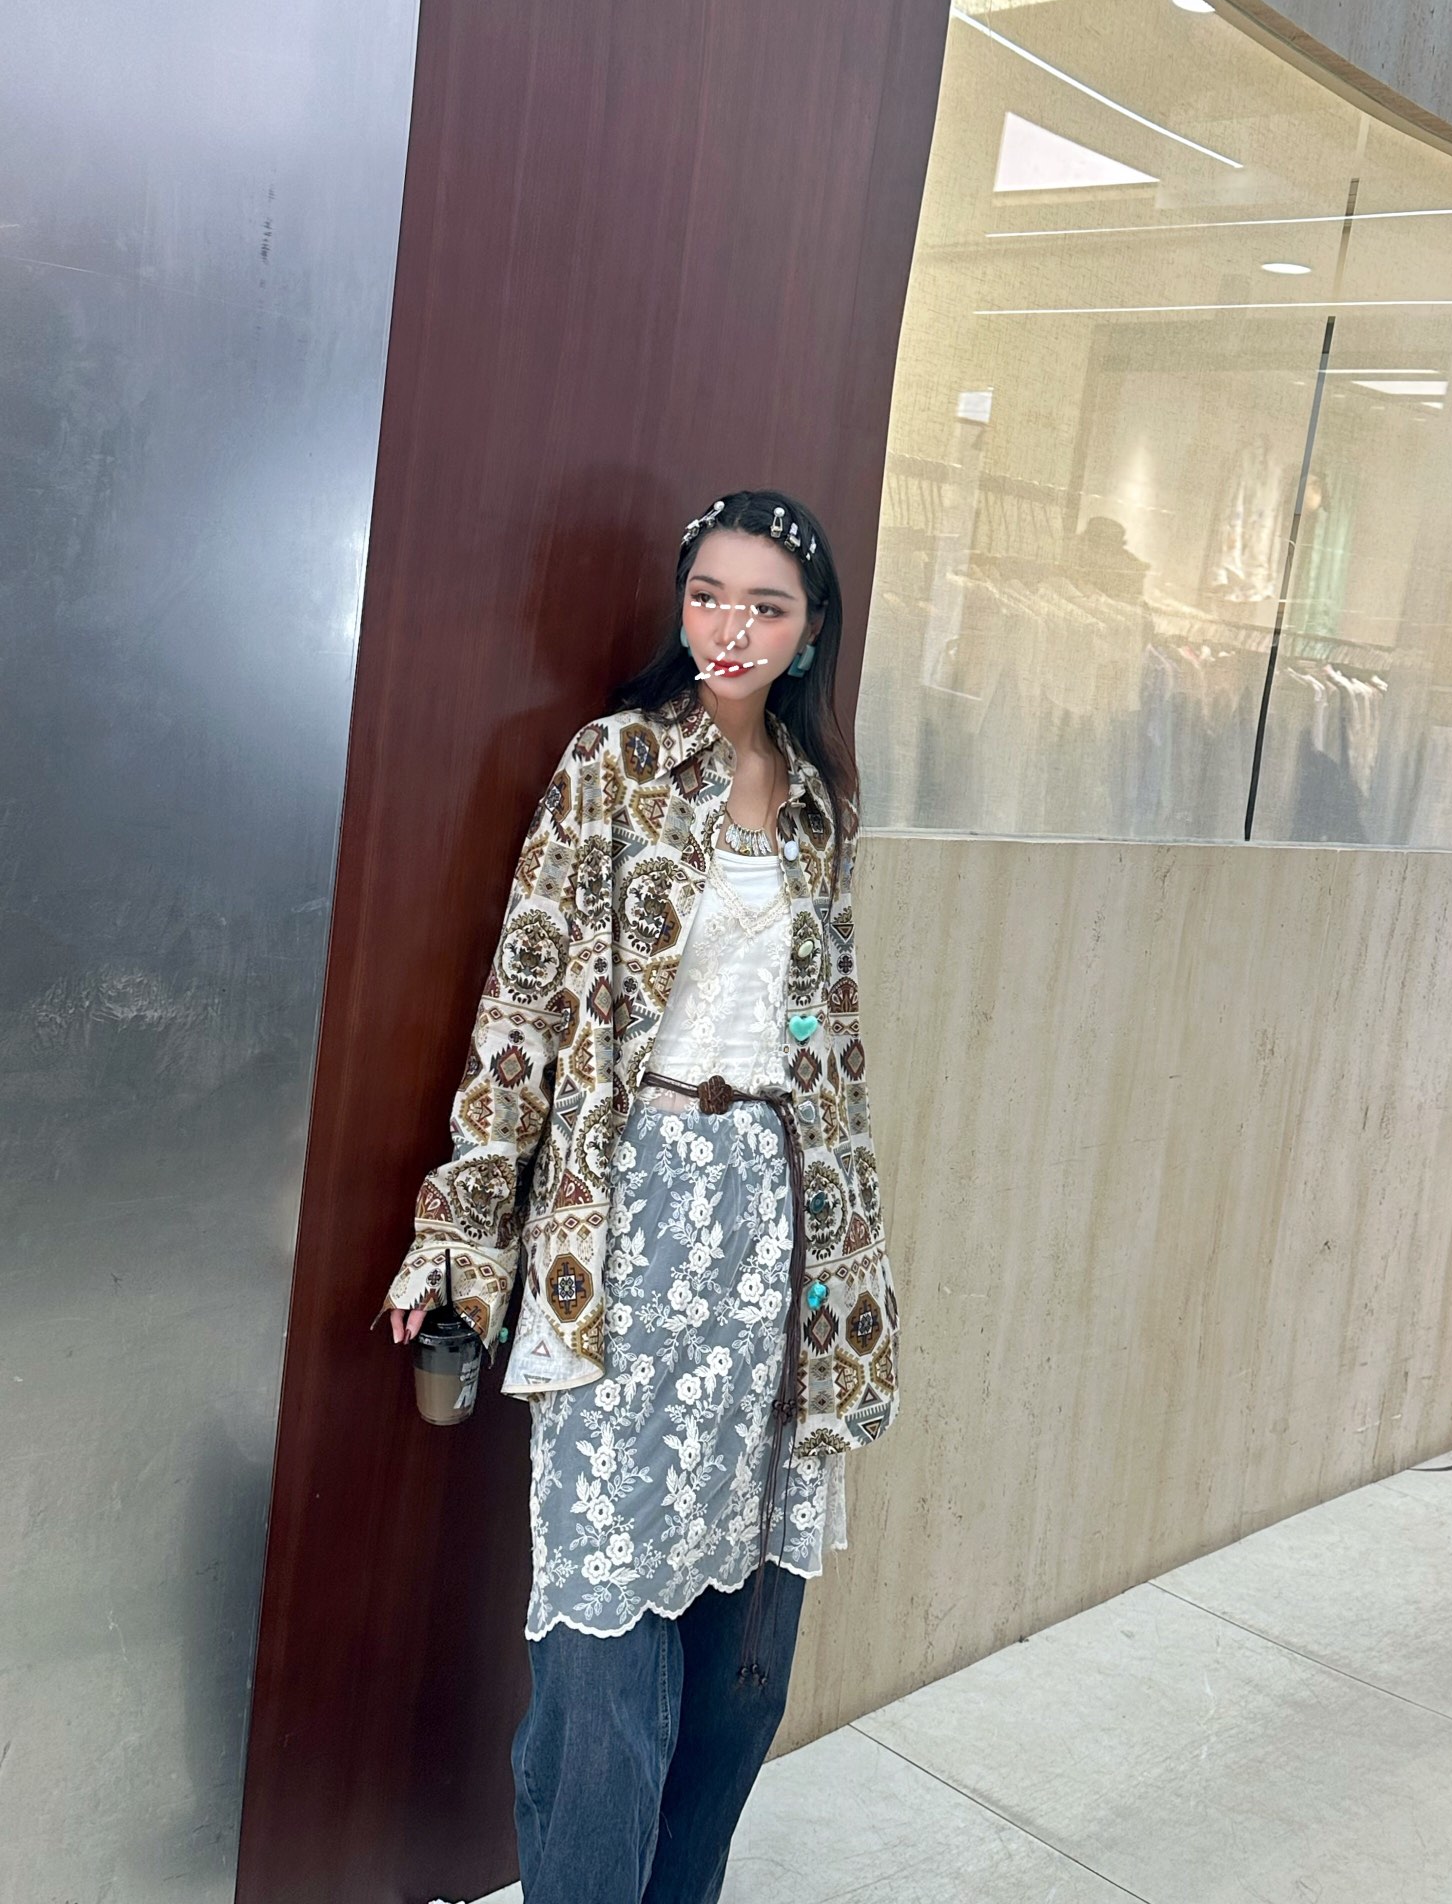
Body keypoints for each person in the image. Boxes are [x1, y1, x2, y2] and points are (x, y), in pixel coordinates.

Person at [378, 489, 902, 1903]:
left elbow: (833, 1049)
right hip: (626, 1221)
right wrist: (460, 1235)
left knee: (747, 1652)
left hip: (775, 1228)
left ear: (809, 633)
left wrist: (848, 1260)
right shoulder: (610, 765)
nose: (730, 627)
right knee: (603, 1639)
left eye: (766, 606)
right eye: (709, 594)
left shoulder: (819, 802)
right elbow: (524, 1007)